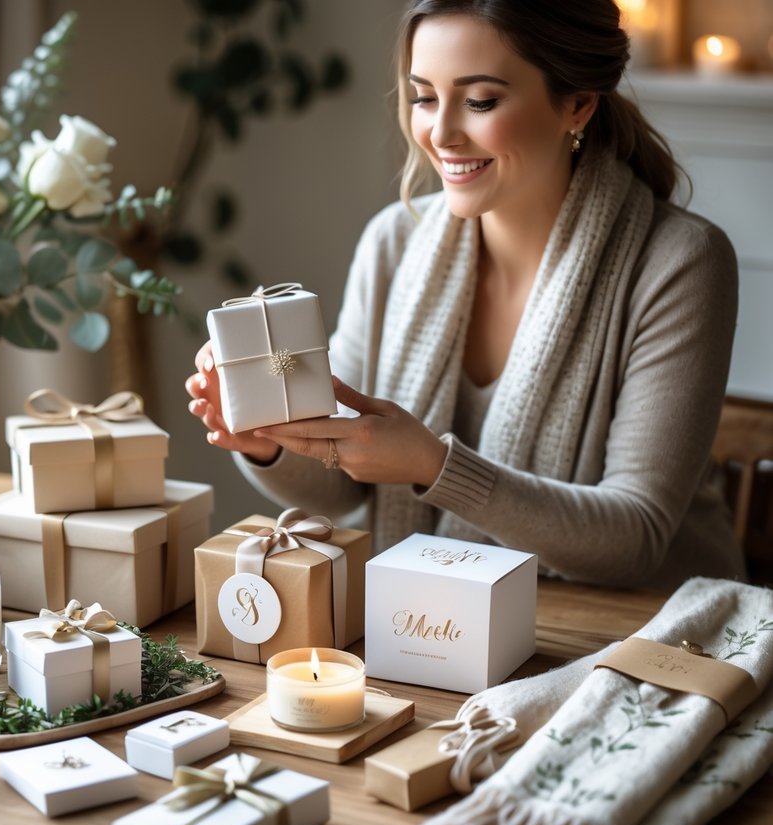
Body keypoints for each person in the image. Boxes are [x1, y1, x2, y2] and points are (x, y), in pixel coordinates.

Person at [184, 0, 744, 590]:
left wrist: (434, 466)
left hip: (646, 637)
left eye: (480, 101)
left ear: (577, 103)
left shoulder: (681, 261)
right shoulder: (393, 242)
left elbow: (635, 538)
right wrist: (267, 442)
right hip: (444, 626)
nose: (442, 133)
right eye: (424, 96)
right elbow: (344, 480)